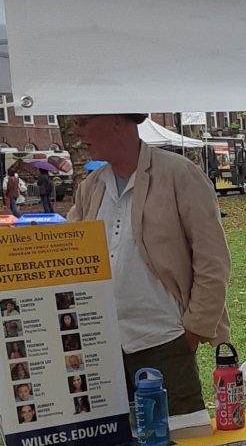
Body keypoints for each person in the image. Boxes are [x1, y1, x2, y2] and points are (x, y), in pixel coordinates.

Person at [69, 113, 231, 416]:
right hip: (103, 349)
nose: (77, 131)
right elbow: (72, 259)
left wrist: (193, 332)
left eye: (83, 121)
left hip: (165, 343)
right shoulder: (91, 187)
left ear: (117, 119)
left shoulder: (179, 174)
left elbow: (213, 261)